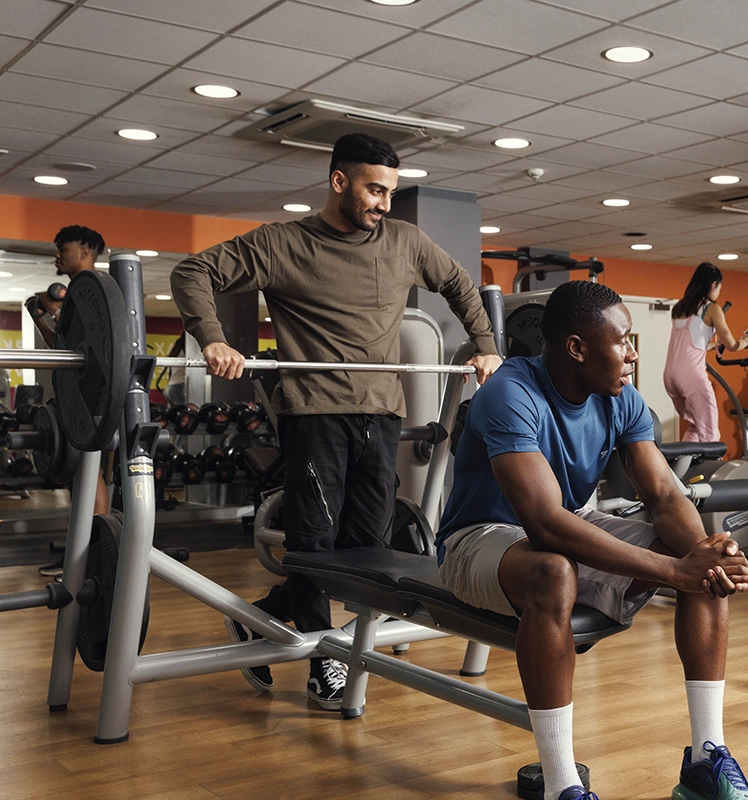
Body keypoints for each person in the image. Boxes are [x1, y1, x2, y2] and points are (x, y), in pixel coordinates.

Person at [171, 132, 501, 711]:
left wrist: (485, 344)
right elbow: (192, 272)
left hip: (381, 412)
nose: (384, 203)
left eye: (392, 192)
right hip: (314, 410)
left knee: (364, 545)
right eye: (375, 189)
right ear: (339, 181)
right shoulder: (282, 243)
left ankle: (268, 615)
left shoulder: (404, 241)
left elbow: (457, 284)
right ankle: (322, 658)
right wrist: (213, 338)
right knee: (315, 541)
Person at [436, 280, 748, 800]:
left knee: (699, 555)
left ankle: (707, 756)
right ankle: (562, 786)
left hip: (563, 529)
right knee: (552, 571)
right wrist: (676, 572)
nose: (633, 354)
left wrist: (704, 553)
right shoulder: (509, 394)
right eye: (623, 340)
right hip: (478, 540)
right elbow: (542, 522)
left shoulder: (623, 400)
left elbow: (664, 494)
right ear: (576, 348)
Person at [25, 225, 112, 577]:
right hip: (74, 394)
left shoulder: (101, 291)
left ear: (87, 249)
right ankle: (83, 554)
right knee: (81, 476)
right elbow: (62, 348)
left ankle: (99, 553)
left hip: (96, 398)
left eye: (64, 248)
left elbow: (105, 349)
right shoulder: (77, 293)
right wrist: (41, 317)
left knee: (90, 474)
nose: (57, 254)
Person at [663, 262, 748, 444]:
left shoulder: (680, 308)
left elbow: (689, 345)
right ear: (713, 284)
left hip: (670, 377)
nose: (718, 293)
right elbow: (732, 345)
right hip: (691, 376)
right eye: (719, 288)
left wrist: (713, 346)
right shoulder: (711, 308)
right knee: (710, 435)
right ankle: (711, 471)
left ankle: (680, 472)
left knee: (696, 428)